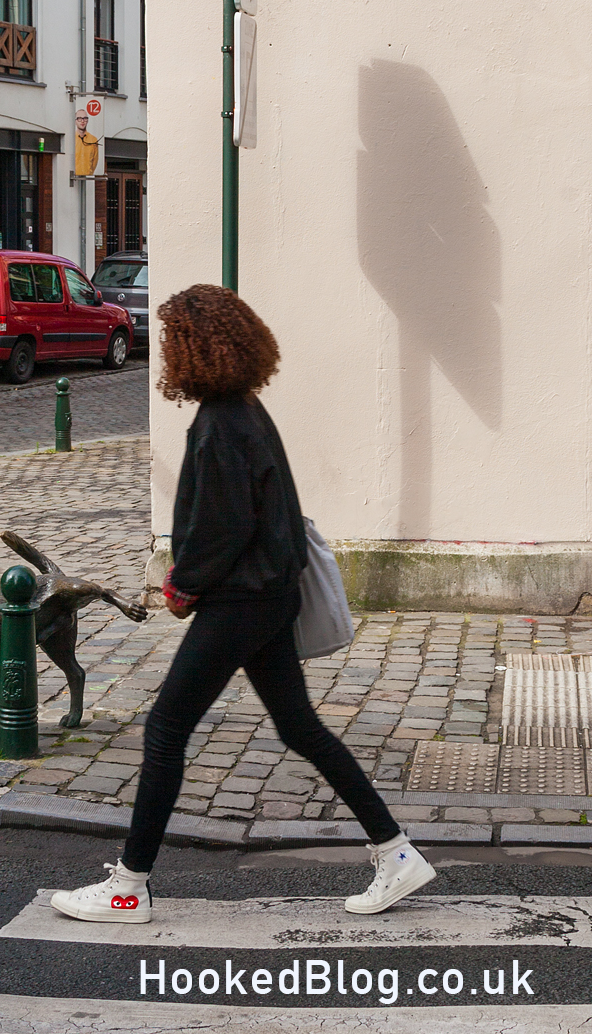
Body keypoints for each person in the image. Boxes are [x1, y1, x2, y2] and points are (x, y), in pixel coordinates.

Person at [52, 283, 436, 922]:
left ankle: (128, 888)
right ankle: (396, 853)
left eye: (172, 338)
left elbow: (222, 526)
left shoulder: (220, 425)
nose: (166, 349)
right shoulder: (245, 412)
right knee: (298, 726)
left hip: (239, 602)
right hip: (267, 597)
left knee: (166, 727)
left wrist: (182, 586)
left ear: (194, 346)